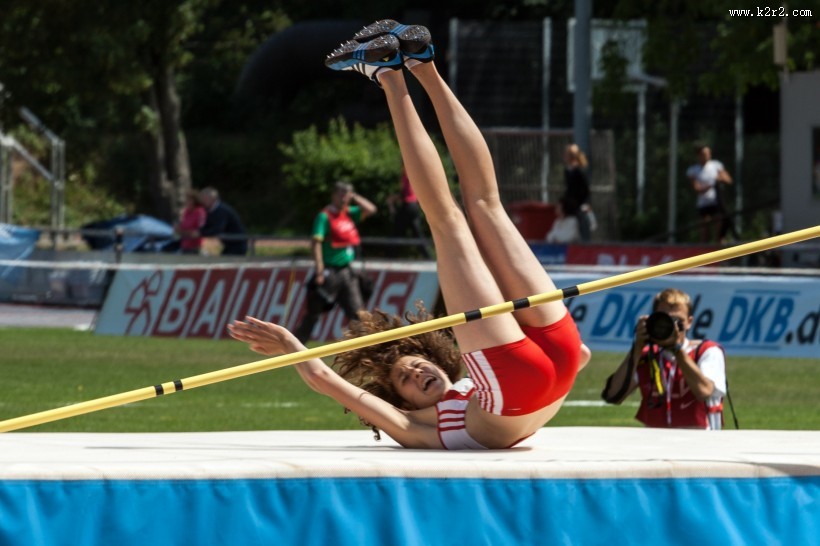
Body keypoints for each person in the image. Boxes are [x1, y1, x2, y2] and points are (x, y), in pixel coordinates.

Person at [229, 21, 590, 450]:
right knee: (465, 215)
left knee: (477, 211)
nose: (417, 374)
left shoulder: (465, 389)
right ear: (400, 401)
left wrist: (291, 344)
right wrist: (292, 344)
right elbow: (329, 383)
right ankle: (403, 69)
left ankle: (410, 67)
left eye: (413, 366)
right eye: (407, 380)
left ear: (439, 357)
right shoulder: (414, 426)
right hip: (538, 371)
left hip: (540, 370)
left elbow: (581, 360)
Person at [600, 288, 727, 430]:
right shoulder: (647, 355)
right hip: (656, 446)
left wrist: (677, 350)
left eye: (678, 321)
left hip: (700, 444)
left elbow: (704, 391)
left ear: (689, 322)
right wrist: (636, 349)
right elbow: (613, 395)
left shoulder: (707, 351)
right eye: (665, 319)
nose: (671, 327)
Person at [292, 181, 377, 343]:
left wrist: (355, 197)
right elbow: (316, 243)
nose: (344, 198)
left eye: (347, 195)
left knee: (358, 314)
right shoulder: (324, 216)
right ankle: (295, 346)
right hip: (329, 273)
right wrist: (319, 270)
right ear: (334, 195)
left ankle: (367, 351)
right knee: (313, 312)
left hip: (347, 272)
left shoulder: (349, 213)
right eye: (341, 194)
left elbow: (371, 209)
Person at [686, 144, 734, 244]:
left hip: (716, 202)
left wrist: (720, 179)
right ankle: (704, 254)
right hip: (703, 204)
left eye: (709, 153)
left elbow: (728, 179)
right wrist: (711, 184)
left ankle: (721, 255)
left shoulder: (716, 165)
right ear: (699, 155)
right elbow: (697, 188)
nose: (707, 156)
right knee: (704, 230)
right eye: (704, 154)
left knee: (719, 231)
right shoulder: (694, 170)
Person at [386, 166, 432, 258]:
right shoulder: (413, 178)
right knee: (417, 233)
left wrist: (391, 201)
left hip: (408, 206)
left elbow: (403, 194)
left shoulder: (406, 176)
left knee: (397, 231)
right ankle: (428, 257)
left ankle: (390, 256)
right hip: (414, 206)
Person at [196, 187, 248, 256]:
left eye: (205, 199)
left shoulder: (222, 210)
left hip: (237, 243)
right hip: (228, 243)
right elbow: (206, 225)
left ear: (213, 199)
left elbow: (218, 229)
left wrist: (200, 233)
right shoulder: (210, 210)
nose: (202, 201)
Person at [562, 143, 594, 242]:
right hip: (570, 206)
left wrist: (581, 204)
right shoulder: (567, 171)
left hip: (579, 206)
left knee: (582, 228)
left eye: (567, 154)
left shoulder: (579, 172)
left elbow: (585, 191)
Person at [176, 189, 207, 255]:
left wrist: (184, 232)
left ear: (194, 201)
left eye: (188, 200)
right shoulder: (186, 212)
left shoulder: (200, 212)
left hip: (196, 248)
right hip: (184, 246)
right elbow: (179, 230)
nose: (185, 202)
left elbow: (198, 232)